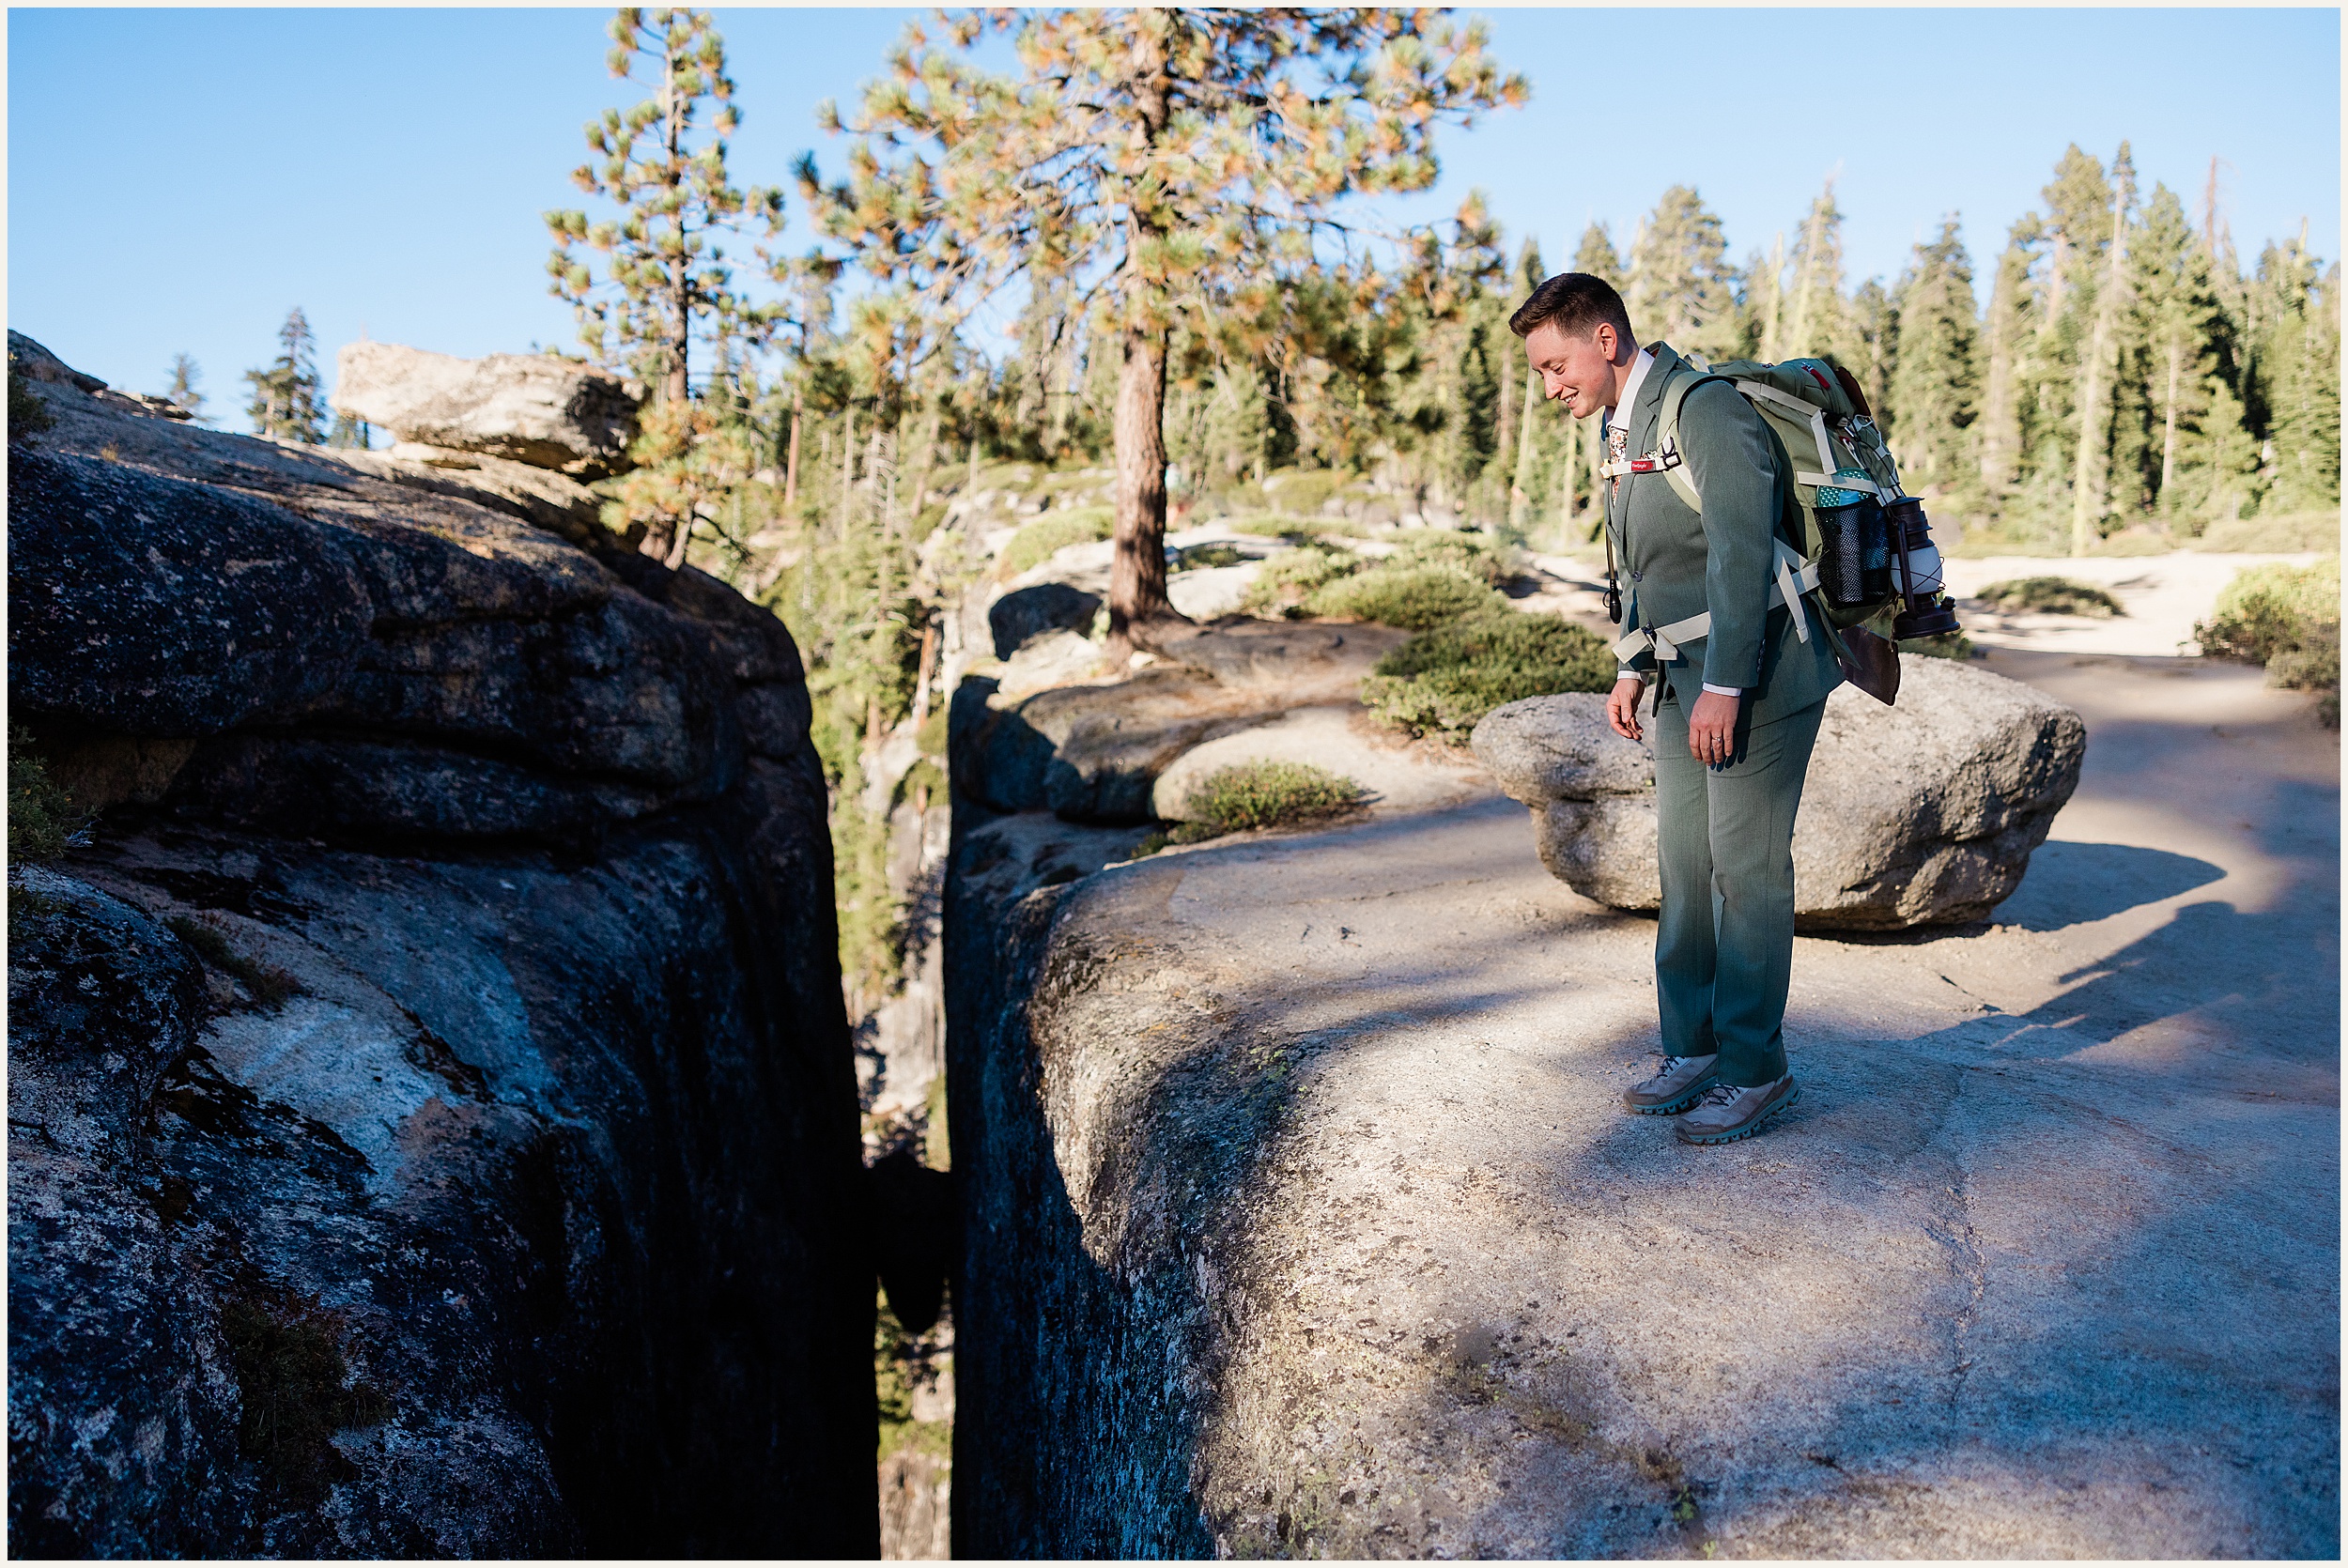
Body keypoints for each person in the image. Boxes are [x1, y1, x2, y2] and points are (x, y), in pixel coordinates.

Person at [1510, 273, 1842, 1145]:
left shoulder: (1706, 412)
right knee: (1684, 865)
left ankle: (1756, 1069)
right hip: (1681, 675)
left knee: (1746, 867)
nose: (1550, 387)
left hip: (1763, 669)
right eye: (1541, 373)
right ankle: (1690, 1049)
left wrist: (1727, 685)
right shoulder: (1626, 431)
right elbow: (1640, 566)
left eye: (1555, 365)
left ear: (1605, 341)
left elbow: (1738, 553)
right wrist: (1632, 663)